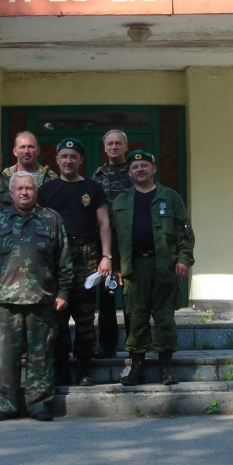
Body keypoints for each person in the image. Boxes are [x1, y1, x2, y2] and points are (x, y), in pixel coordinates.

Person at [0, 171, 73, 422]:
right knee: (6, 358)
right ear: (11, 192)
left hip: (41, 300)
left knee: (40, 356)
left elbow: (64, 262)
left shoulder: (51, 220)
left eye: (29, 188)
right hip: (6, 302)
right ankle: (7, 405)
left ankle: (38, 404)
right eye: (19, 188)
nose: (24, 193)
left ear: (36, 191)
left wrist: (63, 292)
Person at [111, 150, 195, 386]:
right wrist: (116, 267)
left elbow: (185, 234)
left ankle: (166, 368)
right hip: (134, 268)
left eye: (144, 166)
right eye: (135, 168)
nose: (140, 170)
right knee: (135, 318)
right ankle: (137, 368)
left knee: (164, 318)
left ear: (153, 169)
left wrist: (183, 260)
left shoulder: (170, 198)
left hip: (165, 267)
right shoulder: (121, 201)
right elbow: (114, 240)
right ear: (129, 173)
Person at [37, 138, 112, 386]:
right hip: (55, 257)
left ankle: (84, 369)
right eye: (64, 156)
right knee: (57, 315)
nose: (68, 161)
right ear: (56, 159)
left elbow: (103, 223)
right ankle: (60, 369)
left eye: (74, 156)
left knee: (85, 316)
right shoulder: (46, 190)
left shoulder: (93, 187)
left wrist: (106, 255)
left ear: (81, 160)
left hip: (87, 254)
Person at [91, 129, 133, 359]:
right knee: (107, 297)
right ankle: (107, 345)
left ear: (126, 147)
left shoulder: (136, 173)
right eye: (110, 144)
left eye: (118, 143)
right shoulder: (97, 177)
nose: (114, 147)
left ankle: (134, 344)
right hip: (105, 248)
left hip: (130, 246)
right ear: (105, 148)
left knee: (131, 298)